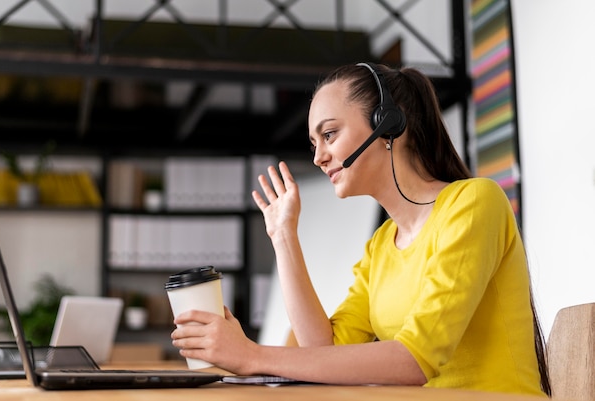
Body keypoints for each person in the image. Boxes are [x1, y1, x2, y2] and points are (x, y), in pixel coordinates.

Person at [171, 62, 551, 396]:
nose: (318, 156)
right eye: (314, 143)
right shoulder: (382, 246)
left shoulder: (474, 203)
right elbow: (324, 352)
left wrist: (251, 355)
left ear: (388, 124)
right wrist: (283, 236)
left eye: (330, 134)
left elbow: (414, 361)